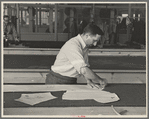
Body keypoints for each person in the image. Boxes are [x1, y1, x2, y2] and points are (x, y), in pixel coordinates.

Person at [46, 23, 107, 89]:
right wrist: (100, 80)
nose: (95, 44)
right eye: (94, 40)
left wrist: (89, 81)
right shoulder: (73, 45)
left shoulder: (85, 47)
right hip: (57, 80)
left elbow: (84, 66)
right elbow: (83, 70)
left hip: (70, 80)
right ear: (87, 36)